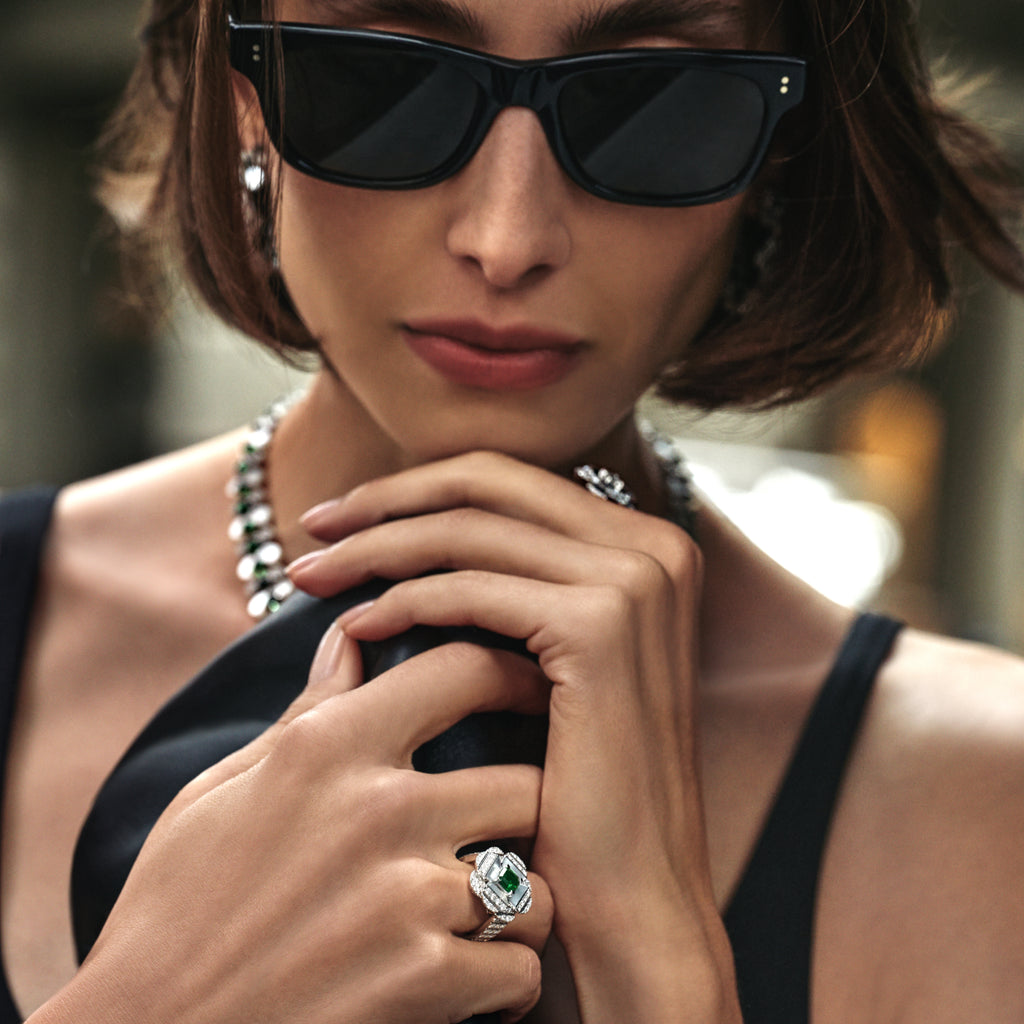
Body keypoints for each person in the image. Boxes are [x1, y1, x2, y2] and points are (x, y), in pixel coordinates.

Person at [1, 0, 1023, 1021]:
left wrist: (653, 969)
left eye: (649, 103)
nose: (507, 240)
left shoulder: (983, 794)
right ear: (245, 101)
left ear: (778, 147)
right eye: (387, 80)